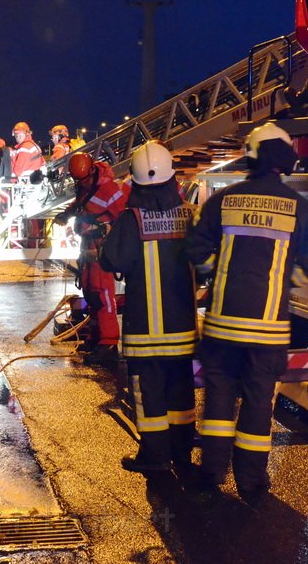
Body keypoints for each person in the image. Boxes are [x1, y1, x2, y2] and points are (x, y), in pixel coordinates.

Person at [186, 122, 308, 499]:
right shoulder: (301, 209)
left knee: (218, 401)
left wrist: (218, 276)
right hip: (268, 330)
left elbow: (196, 249)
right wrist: (279, 285)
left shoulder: (221, 201)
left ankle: (212, 473)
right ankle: (252, 482)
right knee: (259, 403)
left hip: (222, 328)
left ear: (250, 156)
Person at [99, 141, 198, 474]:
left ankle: (155, 456)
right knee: (181, 391)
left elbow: (111, 259)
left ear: (136, 183)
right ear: (173, 179)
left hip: (145, 333)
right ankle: (183, 451)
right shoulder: (189, 215)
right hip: (182, 329)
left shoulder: (131, 220)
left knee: (149, 394)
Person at [55, 152, 127, 364]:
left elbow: (122, 218)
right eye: (78, 180)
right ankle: (95, 338)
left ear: (92, 171)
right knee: (90, 292)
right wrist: (66, 215)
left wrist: (113, 246)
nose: (81, 182)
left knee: (103, 295)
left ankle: (109, 343)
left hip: (101, 248)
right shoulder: (86, 186)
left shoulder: (109, 189)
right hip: (87, 247)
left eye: (83, 179)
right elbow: (81, 204)